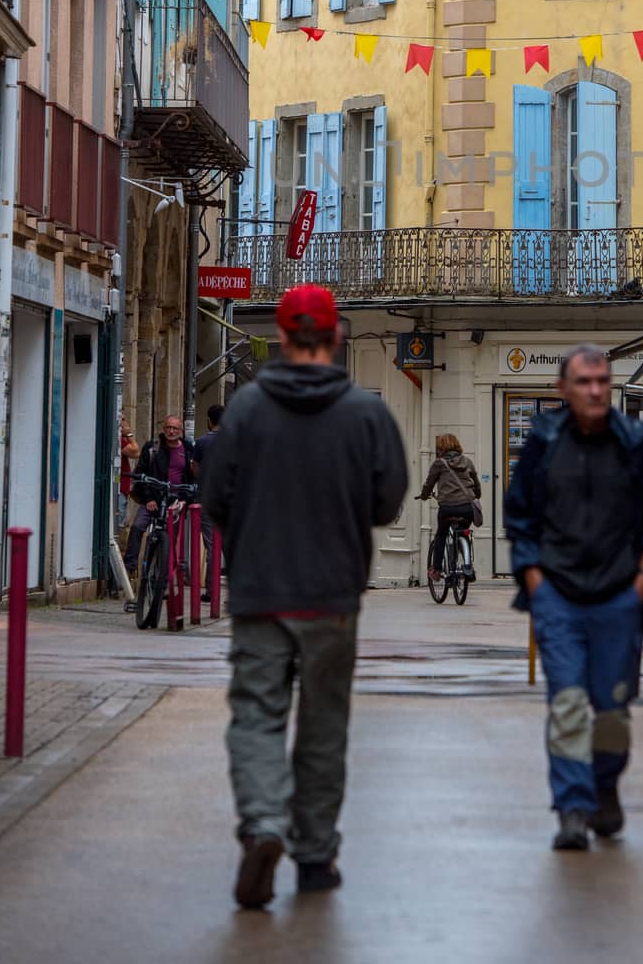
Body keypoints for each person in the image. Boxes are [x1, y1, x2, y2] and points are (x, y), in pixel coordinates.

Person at [201, 284, 408, 911]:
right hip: (331, 596)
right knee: (324, 726)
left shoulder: (244, 410)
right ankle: (315, 857)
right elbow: (387, 503)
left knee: (257, 716)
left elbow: (214, 502)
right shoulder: (367, 415)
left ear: (283, 337)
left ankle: (263, 823)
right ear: (336, 338)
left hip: (262, 591)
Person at [504, 345, 643, 853]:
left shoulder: (635, 441)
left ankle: (605, 784)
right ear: (563, 389)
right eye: (584, 382)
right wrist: (534, 578)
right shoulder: (543, 441)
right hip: (557, 594)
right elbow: (519, 516)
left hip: (618, 596)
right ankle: (573, 808)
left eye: (603, 380)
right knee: (567, 703)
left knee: (611, 709)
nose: (596, 390)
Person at [123, 415, 196, 575]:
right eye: (168, 427)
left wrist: (183, 500)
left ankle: (161, 579)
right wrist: (148, 498)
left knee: (169, 539)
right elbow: (141, 473)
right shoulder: (152, 447)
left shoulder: (188, 450)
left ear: (181, 431)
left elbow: (192, 479)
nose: (171, 431)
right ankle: (129, 568)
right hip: (153, 498)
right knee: (137, 527)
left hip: (175, 502)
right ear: (163, 429)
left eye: (175, 428)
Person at [418, 433, 481, 581]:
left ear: (441, 448)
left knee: (441, 535)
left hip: (447, 508)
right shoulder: (468, 461)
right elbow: (477, 485)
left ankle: (437, 570)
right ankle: (467, 565)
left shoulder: (439, 464)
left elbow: (429, 484)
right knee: (464, 531)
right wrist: (477, 495)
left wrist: (424, 495)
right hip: (467, 507)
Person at [191, 403, 224, 599]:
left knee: (212, 545)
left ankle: (212, 591)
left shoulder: (202, 442)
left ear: (209, 421)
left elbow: (195, 468)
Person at [117, 416, 140, 532]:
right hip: (119, 488)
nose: (126, 423)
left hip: (123, 487)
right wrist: (129, 434)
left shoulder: (121, 438)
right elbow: (135, 452)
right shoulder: (119, 439)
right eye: (123, 420)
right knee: (118, 525)